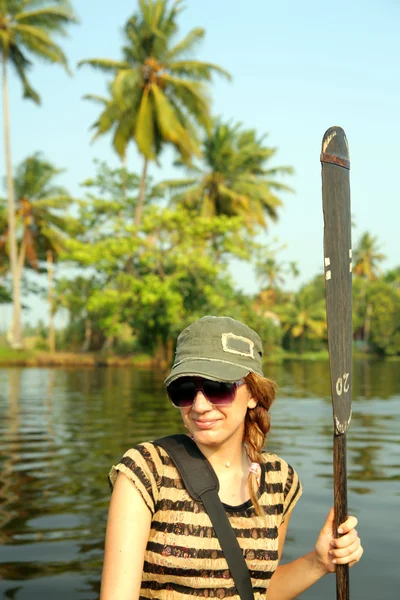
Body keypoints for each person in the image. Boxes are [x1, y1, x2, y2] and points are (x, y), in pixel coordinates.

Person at [100, 316, 363, 600]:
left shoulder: (279, 479)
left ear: (253, 393)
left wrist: (318, 562)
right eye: (185, 390)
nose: (199, 406)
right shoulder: (147, 470)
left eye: (218, 388)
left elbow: (260, 591)